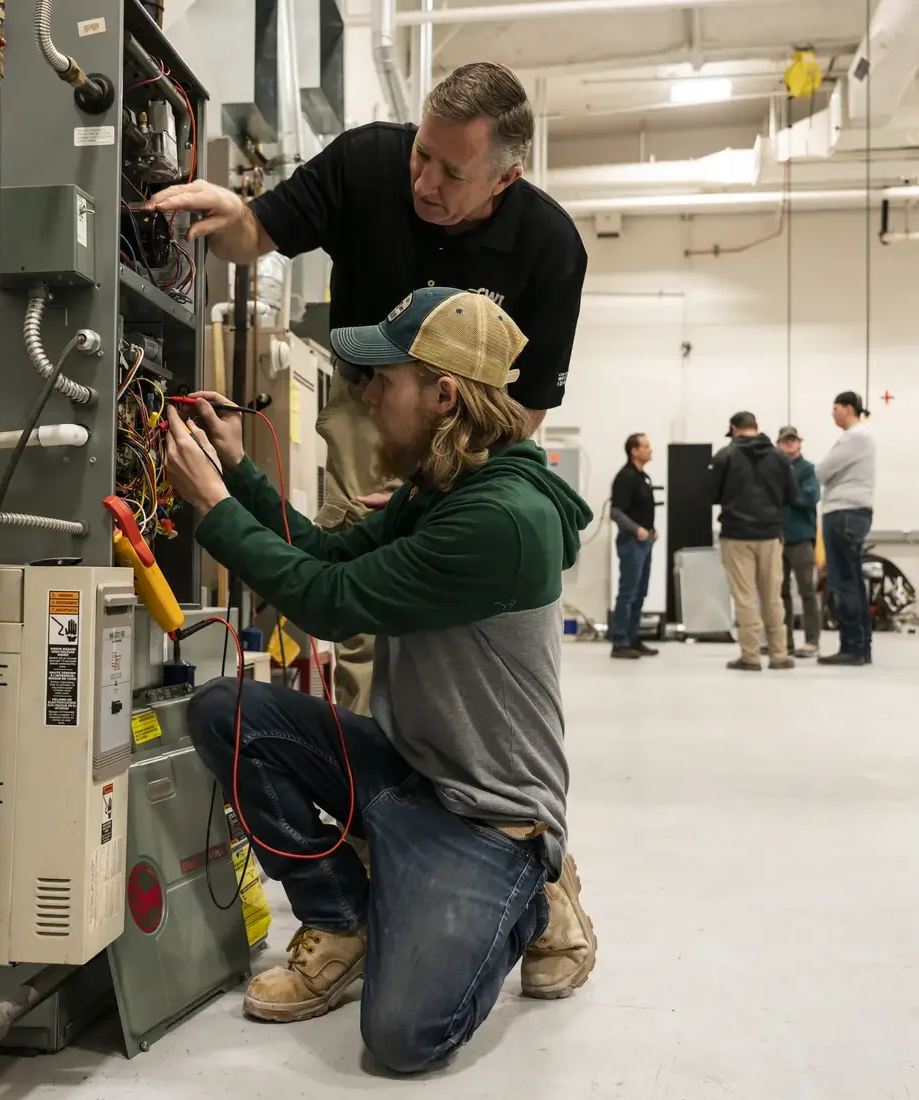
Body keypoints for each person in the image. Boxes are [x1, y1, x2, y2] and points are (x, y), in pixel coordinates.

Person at [162, 289, 598, 1072]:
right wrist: (235, 464)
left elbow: (329, 603)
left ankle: (532, 897)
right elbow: (330, 558)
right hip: (411, 772)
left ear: (444, 395)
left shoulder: (496, 520)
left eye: (381, 380)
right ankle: (343, 920)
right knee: (229, 712)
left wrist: (214, 507)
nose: (366, 396)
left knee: (403, 1039)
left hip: (484, 815)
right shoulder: (447, 485)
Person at [149, 61, 588, 717]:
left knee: (372, 597)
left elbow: (525, 409)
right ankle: (363, 744)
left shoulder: (550, 245)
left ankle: (379, 752)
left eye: (451, 174)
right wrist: (237, 212)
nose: (424, 182)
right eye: (422, 156)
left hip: (469, 431)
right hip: (372, 394)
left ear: (505, 178)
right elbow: (254, 235)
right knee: (351, 561)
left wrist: (452, 476)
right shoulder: (369, 160)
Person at [709, 412, 798, 671]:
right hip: (771, 536)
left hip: (736, 535)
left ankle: (750, 656)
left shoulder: (725, 456)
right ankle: (779, 654)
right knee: (773, 596)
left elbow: (711, 495)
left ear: (735, 429)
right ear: (757, 428)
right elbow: (792, 494)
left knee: (745, 597)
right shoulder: (779, 456)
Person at [815, 391, 876, 666]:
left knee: (843, 582)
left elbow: (822, 471)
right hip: (854, 512)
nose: (832, 413)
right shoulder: (862, 437)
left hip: (843, 512)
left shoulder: (855, 437)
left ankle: (851, 648)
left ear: (849, 409)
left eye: (836, 408)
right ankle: (862, 646)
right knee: (853, 582)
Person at [609, 433, 659, 659]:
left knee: (640, 593)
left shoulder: (642, 477)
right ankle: (620, 642)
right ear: (634, 451)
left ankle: (633, 637)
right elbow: (616, 512)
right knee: (628, 593)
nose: (651, 450)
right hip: (631, 542)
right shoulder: (625, 477)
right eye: (646, 447)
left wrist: (650, 530)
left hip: (645, 542)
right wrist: (636, 529)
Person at [776, 426, 821, 657]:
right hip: (777, 538)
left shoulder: (807, 470)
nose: (789, 444)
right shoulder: (773, 470)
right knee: (780, 592)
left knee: (807, 591)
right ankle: (785, 642)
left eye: (792, 440)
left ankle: (812, 640)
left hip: (801, 538)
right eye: (785, 441)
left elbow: (810, 497)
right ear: (778, 444)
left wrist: (787, 492)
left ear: (799, 443)